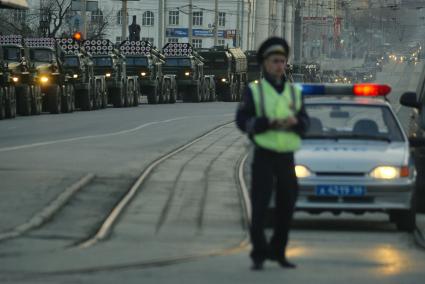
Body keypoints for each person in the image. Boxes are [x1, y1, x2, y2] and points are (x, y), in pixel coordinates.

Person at [236, 37, 310, 271]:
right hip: (264, 156)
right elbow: (242, 120)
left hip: (287, 158)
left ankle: (279, 251)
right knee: (259, 206)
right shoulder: (255, 91)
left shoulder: (294, 93)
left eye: (282, 61)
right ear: (265, 64)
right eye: (275, 61)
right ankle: (259, 252)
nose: (279, 65)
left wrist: (295, 121)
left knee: (286, 206)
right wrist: (266, 123)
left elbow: (306, 122)